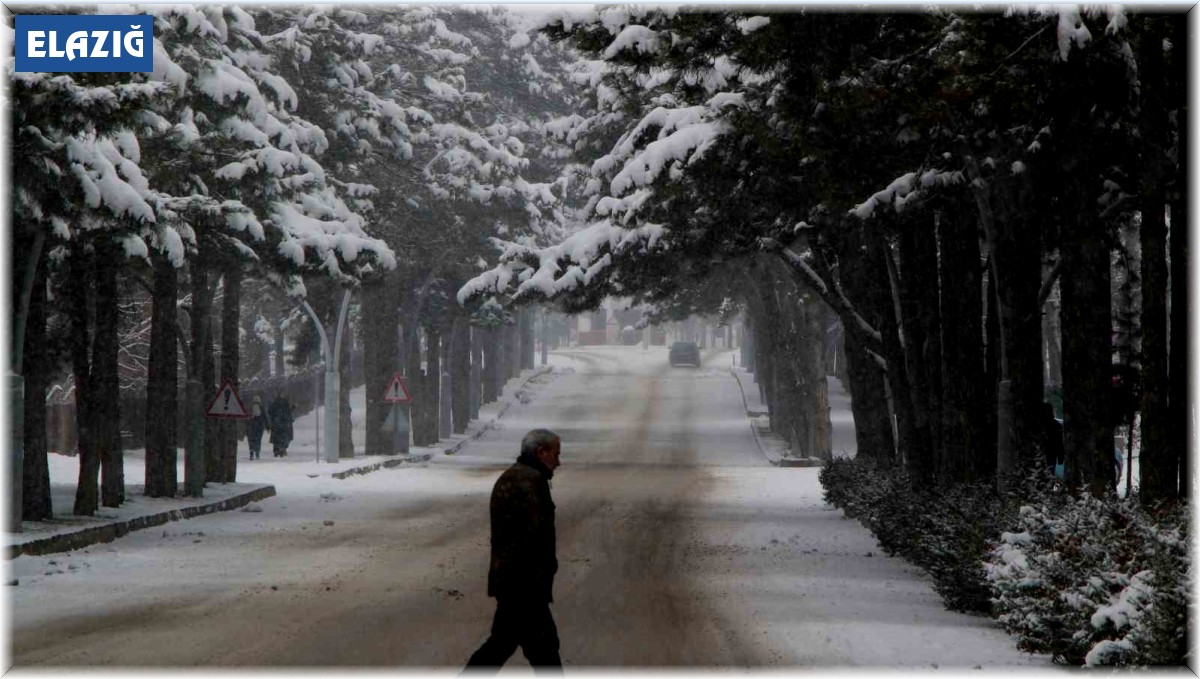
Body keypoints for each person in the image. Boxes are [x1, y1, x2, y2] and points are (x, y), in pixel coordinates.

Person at [464, 429, 563, 673]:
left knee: (506, 645)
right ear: (541, 452)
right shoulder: (529, 481)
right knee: (542, 650)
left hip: (516, 582)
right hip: (523, 585)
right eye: (556, 454)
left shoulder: (519, 477)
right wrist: (541, 574)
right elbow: (534, 535)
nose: (558, 462)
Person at [1042, 402, 1064, 477]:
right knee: (1050, 473)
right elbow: (1060, 442)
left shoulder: (1055, 425)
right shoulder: (1056, 425)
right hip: (1051, 453)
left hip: (1049, 453)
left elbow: (1059, 441)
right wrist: (1061, 456)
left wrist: (1060, 456)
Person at [268, 393, 294, 457]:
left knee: (276, 438)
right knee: (283, 437)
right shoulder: (285, 404)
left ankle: (276, 450)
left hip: (275, 424)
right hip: (283, 423)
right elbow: (288, 412)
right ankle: (282, 449)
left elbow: (270, 412)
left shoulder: (274, 403)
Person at [247, 395, 269, 460]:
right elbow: (265, 417)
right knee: (258, 439)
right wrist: (267, 427)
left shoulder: (250, 408)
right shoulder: (261, 407)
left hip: (251, 425)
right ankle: (257, 452)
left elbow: (247, 417)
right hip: (260, 425)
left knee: (251, 439)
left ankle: (251, 452)